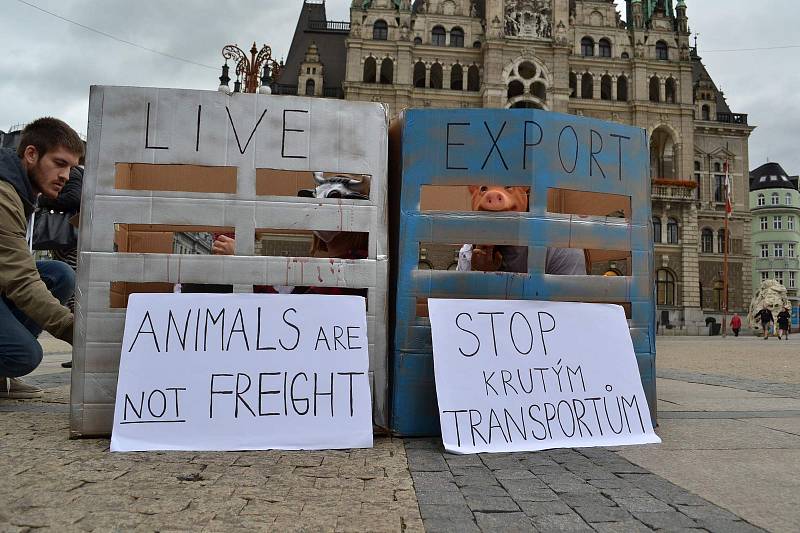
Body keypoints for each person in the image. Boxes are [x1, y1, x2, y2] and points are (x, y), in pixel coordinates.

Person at [0, 118, 83, 398]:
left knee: (60, 275)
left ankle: (1, 374)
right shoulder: (3, 196)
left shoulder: (21, 192)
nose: (67, 176)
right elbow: (21, 282)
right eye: (59, 164)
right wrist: (78, 332)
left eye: (72, 167)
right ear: (31, 154)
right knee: (23, 355)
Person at [38, 165, 84, 368]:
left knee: (75, 296)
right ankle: (81, 351)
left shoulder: (72, 172)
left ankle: (82, 350)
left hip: (70, 241)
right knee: (76, 295)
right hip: (68, 241)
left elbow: (73, 198)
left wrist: (43, 199)